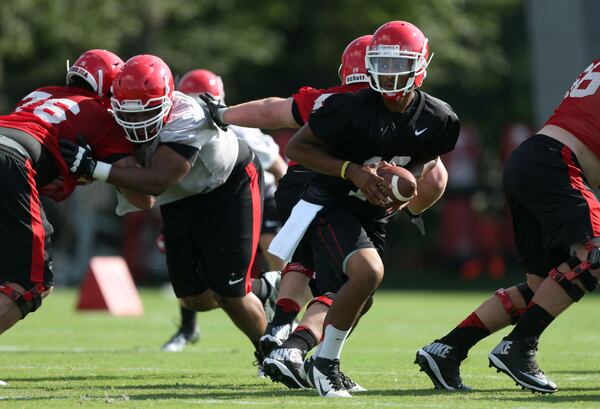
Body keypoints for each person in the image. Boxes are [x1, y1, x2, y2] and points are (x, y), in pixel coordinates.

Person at [270, 21, 460, 397]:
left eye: (397, 65)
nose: (388, 75)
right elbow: (297, 148)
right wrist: (352, 171)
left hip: (370, 210)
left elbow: (424, 158)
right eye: (382, 64)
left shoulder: (439, 117)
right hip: (327, 199)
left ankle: (313, 360)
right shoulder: (348, 106)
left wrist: (405, 184)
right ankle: (325, 366)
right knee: (367, 272)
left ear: (420, 66)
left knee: (362, 293)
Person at [59, 54, 268, 368]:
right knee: (193, 298)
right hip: (179, 196)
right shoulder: (113, 118)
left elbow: (157, 182)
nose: (136, 120)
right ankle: (267, 286)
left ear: (168, 101)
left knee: (231, 291)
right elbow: (145, 200)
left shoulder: (188, 116)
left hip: (226, 185)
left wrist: (94, 167)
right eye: (126, 112)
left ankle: (272, 354)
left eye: (147, 111)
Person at [415, 58, 600, 394]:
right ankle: (519, 346)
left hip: (533, 159)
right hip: (556, 163)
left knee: (544, 284)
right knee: (595, 254)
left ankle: (447, 349)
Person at [0, 49, 133, 346]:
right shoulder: (101, 113)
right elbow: (136, 187)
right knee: (31, 284)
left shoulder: (40, 92)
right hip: (11, 160)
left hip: (9, 149)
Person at [161, 68, 286, 352]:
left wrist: (288, 206)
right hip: (199, 199)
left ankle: (283, 315)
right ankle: (262, 290)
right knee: (198, 288)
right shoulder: (172, 125)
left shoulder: (240, 129)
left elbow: (279, 167)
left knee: (271, 251)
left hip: (255, 192)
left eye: (205, 100)